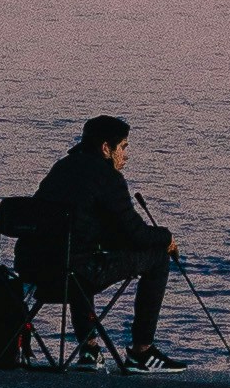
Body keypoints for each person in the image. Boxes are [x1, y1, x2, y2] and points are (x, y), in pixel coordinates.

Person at [28, 112, 176, 366]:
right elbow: (137, 235)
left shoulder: (61, 167)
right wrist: (166, 237)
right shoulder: (108, 178)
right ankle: (142, 351)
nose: (125, 155)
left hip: (36, 270)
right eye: (123, 147)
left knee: (76, 258)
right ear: (106, 147)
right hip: (76, 274)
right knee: (159, 259)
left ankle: (89, 349)